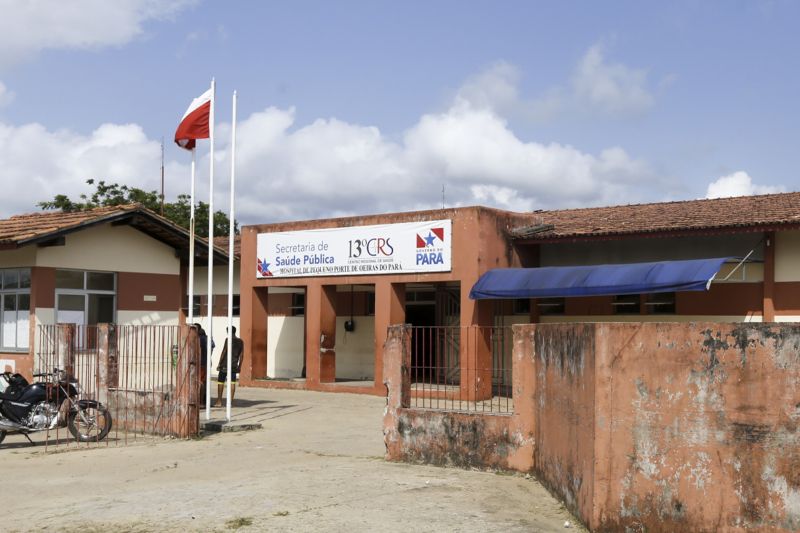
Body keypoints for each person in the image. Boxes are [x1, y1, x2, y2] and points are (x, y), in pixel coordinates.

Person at [215, 326, 244, 407]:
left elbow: (224, 351)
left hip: (225, 364)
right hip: (234, 365)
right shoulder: (241, 341)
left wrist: (219, 363)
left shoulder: (228, 340)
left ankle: (219, 401)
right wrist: (239, 366)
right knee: (232, 383)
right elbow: (242, 355)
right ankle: (230, 402)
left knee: (221, 382)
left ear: (228, 331)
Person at [193, 323, 213, 407]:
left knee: (199, 382)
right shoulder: (209, 339)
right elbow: (211, 350)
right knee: (204, 382)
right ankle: (204, 401)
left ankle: (200, 402)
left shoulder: (196, 339)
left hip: (199, 363)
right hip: (207, 362)